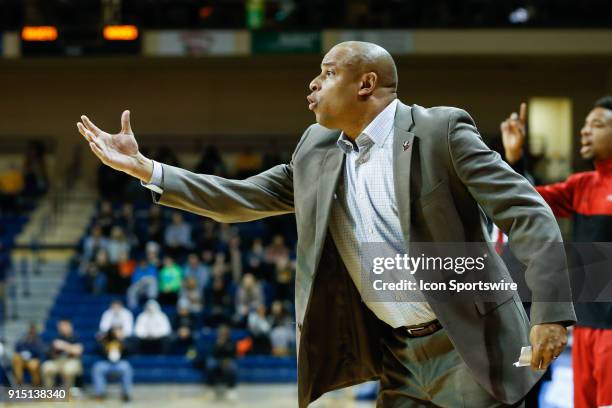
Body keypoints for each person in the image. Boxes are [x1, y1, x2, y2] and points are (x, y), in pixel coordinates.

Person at [78, 41, 575, 407]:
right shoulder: (315, 151)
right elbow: (243, 197)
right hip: (397, 354)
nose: (312, 84)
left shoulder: (439, 130)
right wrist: (147, 169)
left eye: (327, 72)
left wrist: (550, 311)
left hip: (469, 342)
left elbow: (527, 212)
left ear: (366, 84)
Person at [501, 97, 612, 408]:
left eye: (597, 125)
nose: (585, 132)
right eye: (585, 125)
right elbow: (523, 203)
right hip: (587, 329)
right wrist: (515, 159)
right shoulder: (581, 185)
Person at [91, 327, 133, 401]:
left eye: (119, 331)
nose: (117, 333)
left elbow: (130, 351)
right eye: (115, 331)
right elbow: (96, 349)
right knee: (97, 367)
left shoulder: (124, 341)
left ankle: (126, 393)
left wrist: (122, 341)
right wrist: (100, 340)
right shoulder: (106, 340)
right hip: (107, 363)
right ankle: (100, 393)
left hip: (119, 364)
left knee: (127, 367)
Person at [41, 320, 83, 389]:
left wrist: (64, 346)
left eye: (63, 326)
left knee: (68, 369)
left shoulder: (76, 336)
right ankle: (49, 391)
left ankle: (68, 392)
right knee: (46, 366)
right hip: (58, 361)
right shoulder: (57, 337)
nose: (61, 328)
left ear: (69, 326)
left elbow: (78, 351)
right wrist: (53, 351)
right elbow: (50, 353)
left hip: (72, 361)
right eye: (60, 326)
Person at [206, 325, 238, 400]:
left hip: (227, 360)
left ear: (228, 333)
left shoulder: (231, 342)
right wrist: (218, 346)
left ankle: (231, 389)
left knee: (233, 367)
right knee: (210, 365)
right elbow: (213, 354)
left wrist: (226, 360)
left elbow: (233, 354)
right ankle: (211, 388)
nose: (223, 334)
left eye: (225, 333)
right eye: (221, 332)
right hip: (216, 360)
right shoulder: (215, 341)